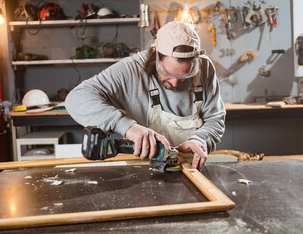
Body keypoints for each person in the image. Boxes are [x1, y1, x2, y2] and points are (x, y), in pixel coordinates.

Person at [65, 21, 225, 170]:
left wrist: (201, 139)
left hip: (189, 168)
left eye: (184, 77)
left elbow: (215, 119)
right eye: (167, 73)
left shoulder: (205, 68)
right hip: (140, 169)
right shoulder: (131, 69)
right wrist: (127, 126)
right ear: (155, 53)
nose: (175, 83)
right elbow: (76, 98)